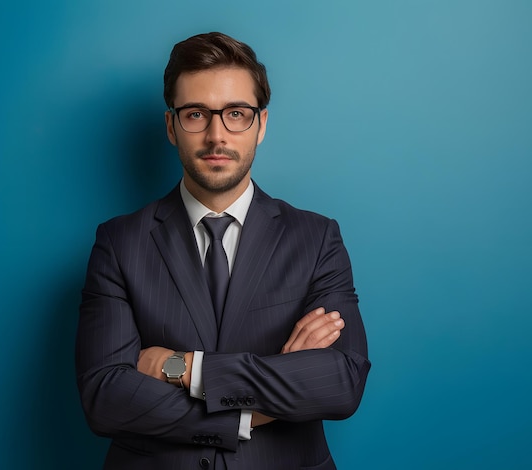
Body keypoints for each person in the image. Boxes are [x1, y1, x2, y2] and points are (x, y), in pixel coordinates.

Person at [76, 31, 370, 470]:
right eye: (196, 114)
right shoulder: (119, 243)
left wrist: (186, 369)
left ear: (261, 125)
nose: (217, 135)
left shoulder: (316, 238)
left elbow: (341, 383)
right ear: (171, 126)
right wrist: (259, 405)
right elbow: (106, 397)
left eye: (236, 113)